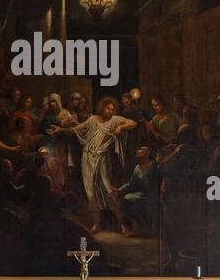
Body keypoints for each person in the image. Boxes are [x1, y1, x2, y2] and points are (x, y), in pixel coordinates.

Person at [56, 97, 136, 233]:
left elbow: (133, 123)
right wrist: (60, 129)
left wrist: (121, 127)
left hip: (102, 158)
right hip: (87, 158)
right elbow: (76, 129)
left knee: (108, 189)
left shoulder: (115, 120)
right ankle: (97, 224)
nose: (110, 111)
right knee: (90, 191)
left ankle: (121, 223)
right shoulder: (92, 120)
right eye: (107, 108)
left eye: (112, 109)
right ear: (102, 108)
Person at [111, 146, 162, 237]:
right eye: (138, 152)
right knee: (126, 199)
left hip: (152, 195)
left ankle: (142, 229)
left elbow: (161, 179)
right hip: (141, 194)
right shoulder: (137, 168)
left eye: (141, 152)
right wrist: (119, 190)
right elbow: (131, 184)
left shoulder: (154, 166)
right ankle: (135, 228)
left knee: (131, 200)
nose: (138, 154)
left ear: (147, 155)